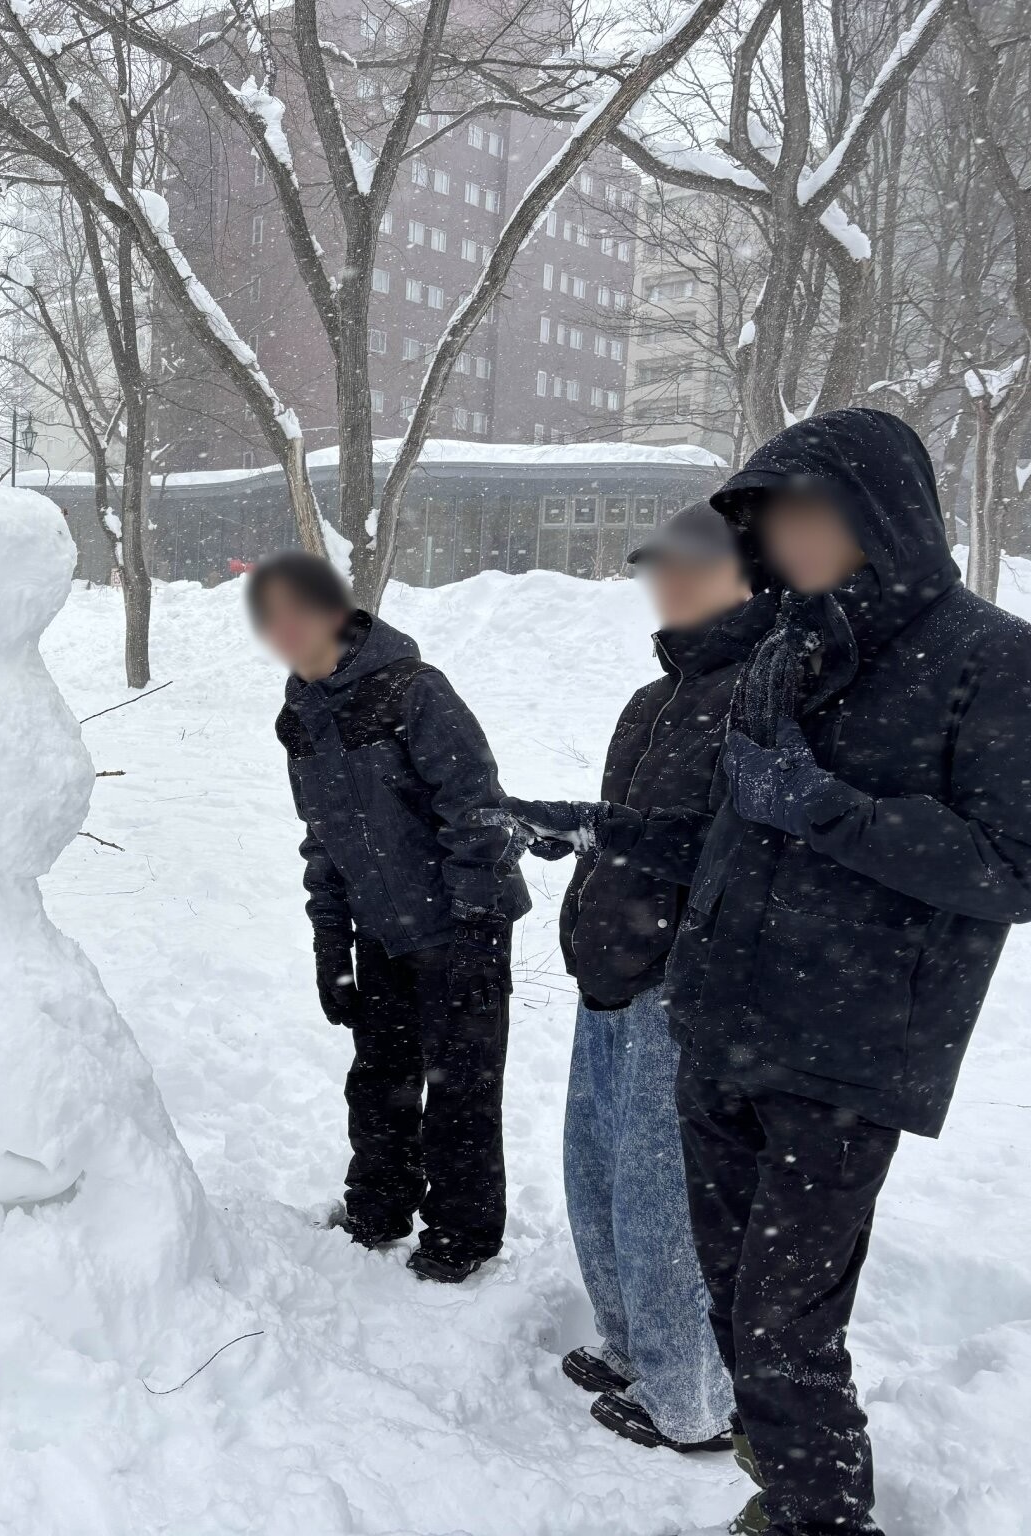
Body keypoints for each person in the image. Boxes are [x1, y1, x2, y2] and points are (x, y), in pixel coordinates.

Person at [504, 409, 1031, 1536]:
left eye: (805, 515)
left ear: (875, 514)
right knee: (737, 1313)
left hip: (844, 1054)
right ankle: (782, 1489)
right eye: (767, 521)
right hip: (718, 1029)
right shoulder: (783, 656)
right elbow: (719, 839)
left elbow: (1011, 864)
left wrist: (831, 813)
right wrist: (598, 832)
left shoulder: (989, 657)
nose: (784, 541)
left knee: (787, 1327)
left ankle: (818, 1516)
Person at [507, 505, 768, 1456]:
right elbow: (631, 830)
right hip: (607, 971)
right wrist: (576, 835)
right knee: (601, 1181)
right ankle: (631, 1347)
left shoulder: (762, 692)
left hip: (680, 988)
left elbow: (726, 852)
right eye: (661, 567)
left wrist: (595, 825)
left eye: (695, 566)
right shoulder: (653, 699)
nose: (672, 581)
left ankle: (691, 1400)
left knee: (664, 1209)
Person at [249, 551, 528, 1284]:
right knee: (380, 1078)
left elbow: (477, 811)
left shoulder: (414, 691)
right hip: (379, 931)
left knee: (461, 1086)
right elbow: (325, 842)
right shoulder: (302, 717)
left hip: (458, 927)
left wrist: (471, 923)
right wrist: (329, 947)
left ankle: (461, 1237)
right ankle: (378, 1206)